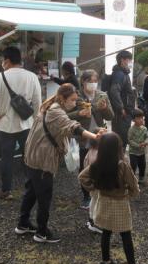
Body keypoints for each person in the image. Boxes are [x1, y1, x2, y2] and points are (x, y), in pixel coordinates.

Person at [16, 83, 101, 243]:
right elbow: (72, 126)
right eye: (72, 100)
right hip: (42, 159)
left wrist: (78, 112)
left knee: (32, 191)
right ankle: (42, 232)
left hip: (33, 156)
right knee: (44, 196)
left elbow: (66, 120)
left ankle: (23, 223)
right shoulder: (56, 111)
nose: (74, 102)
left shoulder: (51, 106)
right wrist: (95, 137)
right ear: (63, 98)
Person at [78, 132, 148, 264]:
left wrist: (93, 187)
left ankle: (105, 263)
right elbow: (133, 184)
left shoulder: (96, 164)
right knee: (126, 234)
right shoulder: (122, 164)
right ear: (118, 148)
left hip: (103, 202)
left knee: (106, 232)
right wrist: (131, 194)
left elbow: (82, 177)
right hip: (120, 203)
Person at [0, 46, 42, 200]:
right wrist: (36, 121)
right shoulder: (32, 76)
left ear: (7, 61)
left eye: (3, 60)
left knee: (6, 159)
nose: (3, 63)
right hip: (27, 124)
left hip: (5, 125)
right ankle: (32, 188)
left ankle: (6, 191)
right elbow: (37, 102)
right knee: (28, 158)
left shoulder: (0, 77)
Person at [68, 69, 114, 209]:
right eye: (90, 81)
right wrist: (79, 113)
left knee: (99, 163)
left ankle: (99, 191)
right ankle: (86, 196)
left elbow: (110, 116)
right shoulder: (76, 95)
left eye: (95, 81)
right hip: (82, 135)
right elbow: (66, 115)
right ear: (83, 81)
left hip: (99, 136)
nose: (93, 84)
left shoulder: (102, 95)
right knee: (84, 166)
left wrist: (105, 108)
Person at [109, 50, 136, 148]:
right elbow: (114, 91)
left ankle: (120, 158)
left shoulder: (123, 73)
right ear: (122, 60)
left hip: (125, 110)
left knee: (123, 136)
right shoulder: (119, 74)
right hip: (121, 112)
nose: (130, 62)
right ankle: (118, 159)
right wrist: (121, 108)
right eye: (128, 60)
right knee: (120, 137)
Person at [127, 109, 148, 184]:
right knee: (133, 165)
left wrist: (146, 142)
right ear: (133, 120)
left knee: (142, 165)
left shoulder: (144, 128)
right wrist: (138, 145)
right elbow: (130, 140)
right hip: (133, 152)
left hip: (142, 152)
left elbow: (147, 137)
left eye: (142, 118)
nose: (141, 120)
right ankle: (132, 178)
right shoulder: (131, 129)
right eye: (139, 118)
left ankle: (141, 177)